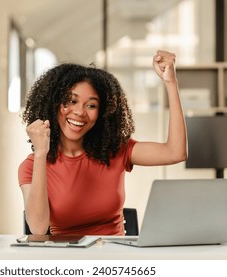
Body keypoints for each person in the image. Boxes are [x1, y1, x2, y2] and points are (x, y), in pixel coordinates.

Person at [18, 50, 187, 236]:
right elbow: (38, 228)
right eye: (71, 101)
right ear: (53, 104)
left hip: (115, 255)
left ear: (103, 113)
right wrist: (41, 153)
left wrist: (170, 83)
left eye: (91, 105)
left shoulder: (115, 150)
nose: (80, 112)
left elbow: (175, 152)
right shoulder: (32, 166)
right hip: (66, 257)